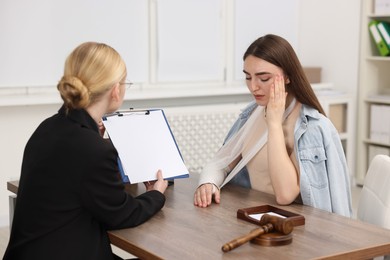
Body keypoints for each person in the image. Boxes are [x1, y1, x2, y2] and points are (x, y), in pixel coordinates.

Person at [3, 42, 168, 260]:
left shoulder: (47, 128)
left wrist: (94, 137)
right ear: (116, 90)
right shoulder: (94, 150)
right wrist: (156, 194)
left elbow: (74, 179)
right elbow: (122, 214)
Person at [193, 34, 352, 217]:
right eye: (248, 77)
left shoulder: (312, 127)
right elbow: (221, 162)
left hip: (296, 228)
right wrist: (208, 183)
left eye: (264, 78)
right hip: (256, 216)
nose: (253, 87)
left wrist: (274, 124)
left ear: (287, 77)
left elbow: (285, 195)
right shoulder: (252, 114)